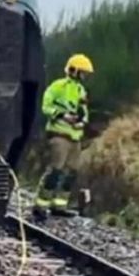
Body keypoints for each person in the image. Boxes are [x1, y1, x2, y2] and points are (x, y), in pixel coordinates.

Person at [33, 53, 93, 218]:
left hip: (75, 137)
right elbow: (46, 106)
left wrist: (82, 122)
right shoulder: (58, 86)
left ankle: (59, 205)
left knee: (71, 172)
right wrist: (61, 115)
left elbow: (84, 111)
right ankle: (40, 205)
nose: (85, 76)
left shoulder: (81, 90)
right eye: (83, 72)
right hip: (59, 134)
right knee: (55, 170)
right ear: (74, 70)